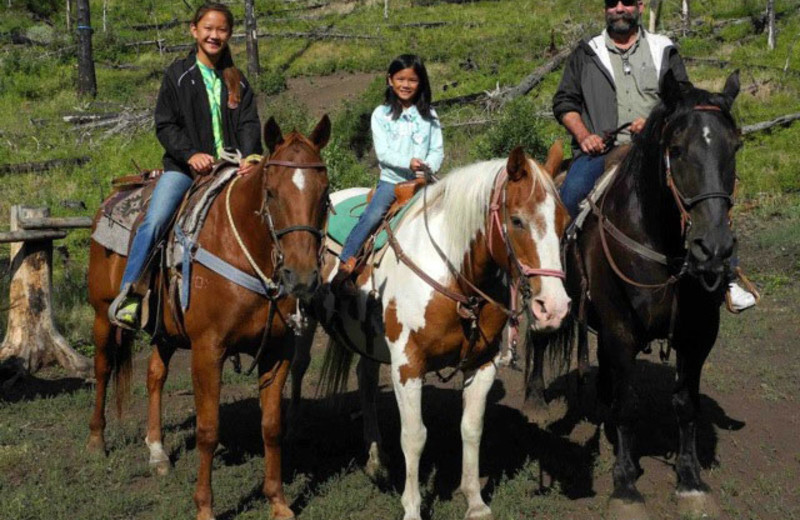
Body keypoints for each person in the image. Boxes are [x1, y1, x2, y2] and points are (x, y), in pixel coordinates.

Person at [552, 0, 756, 312]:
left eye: (627, 2)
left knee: (706, 191)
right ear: (605, 9)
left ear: (640, 6)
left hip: (656, 149)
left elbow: (683, 101)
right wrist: (584, 136)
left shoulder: (664, 48)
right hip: (602, 150)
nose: (620, 8)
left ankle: (726, 275)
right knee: (569, 197)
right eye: (612, 3)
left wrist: (653, 123)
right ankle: (557, 283)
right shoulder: (586, 52)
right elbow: (565, 102)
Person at [112, 2, 263, 328]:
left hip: (234, 168)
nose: (214, 35)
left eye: (221, 29)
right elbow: (166, 125)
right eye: (208, 28)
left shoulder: (238, 80)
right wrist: (190, 154)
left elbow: (250, 123)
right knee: (154, 221)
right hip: (185, 169)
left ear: (229, 34)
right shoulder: (178, 75)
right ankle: (132, 294)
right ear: (194, 31)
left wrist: (251, 157)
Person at [332, 54, 444, 290]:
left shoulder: (430, 116)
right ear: (390, 80)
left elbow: (437, 150)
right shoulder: (381, 115)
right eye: (400, 79)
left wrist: (429, 167)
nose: (406, 85)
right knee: (372, 217)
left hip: (424, 182)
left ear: (421, 83)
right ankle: (345, 265)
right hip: (392, 184)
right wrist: (409, 163)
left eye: (412, 80)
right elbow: (384, 154)